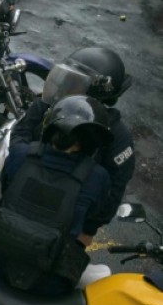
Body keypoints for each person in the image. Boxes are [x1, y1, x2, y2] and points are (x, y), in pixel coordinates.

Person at [0, 95, 113, 296]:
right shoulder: (96, 177)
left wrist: (44, 99)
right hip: (49, 285)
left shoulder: (20, 154)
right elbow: (92, 218)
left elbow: (6, 188)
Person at [11, 47, 135, 245]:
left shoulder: (117, 137)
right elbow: (21, 132)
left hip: (67, 224)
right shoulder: (52, 106)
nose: (64, 86)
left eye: (74, 82)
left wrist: (86, 231)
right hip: (25, 203)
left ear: (96, 92)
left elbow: (112, 195)